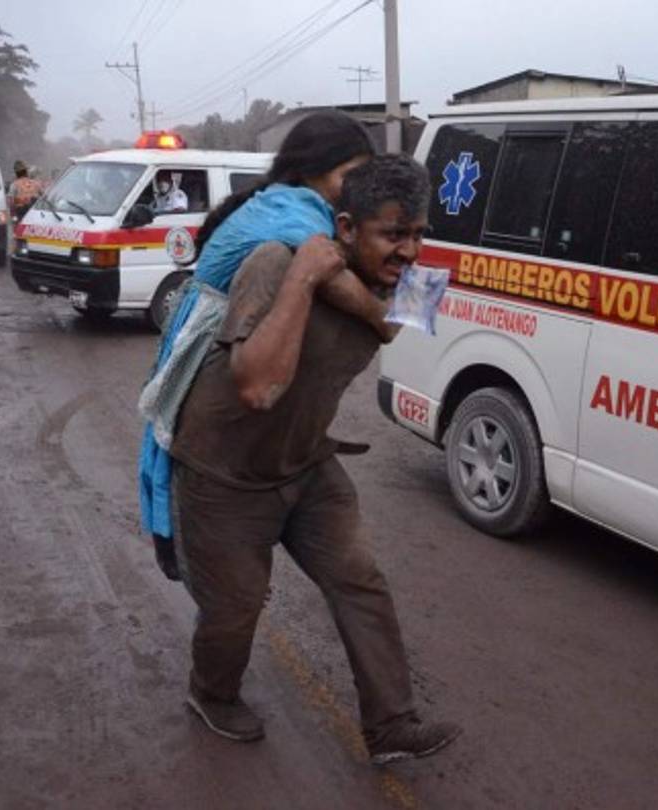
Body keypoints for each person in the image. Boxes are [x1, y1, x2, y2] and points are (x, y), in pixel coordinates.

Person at [168, 153, 460, 764]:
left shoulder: (413, 279)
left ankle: (391, 726)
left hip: (306, 464)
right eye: (393, 234)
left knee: (361, 582)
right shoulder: (274, 263)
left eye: (418, 234)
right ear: (346, 228)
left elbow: (391, 326)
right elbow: (257, 388)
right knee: (236, 608)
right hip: (223, 472)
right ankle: (210, 692)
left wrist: (352, 293)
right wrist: (304, 281)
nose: (410, 252)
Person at [138, 111, 391, 580]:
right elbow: (333, 279)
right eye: (349, 176)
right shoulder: (296, 208)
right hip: (210, 334)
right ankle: (199, 563)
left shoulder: (291, 202)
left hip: (218, 325)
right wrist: (386, 317)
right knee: (181, 439)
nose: (357, 188)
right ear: (312, 168)